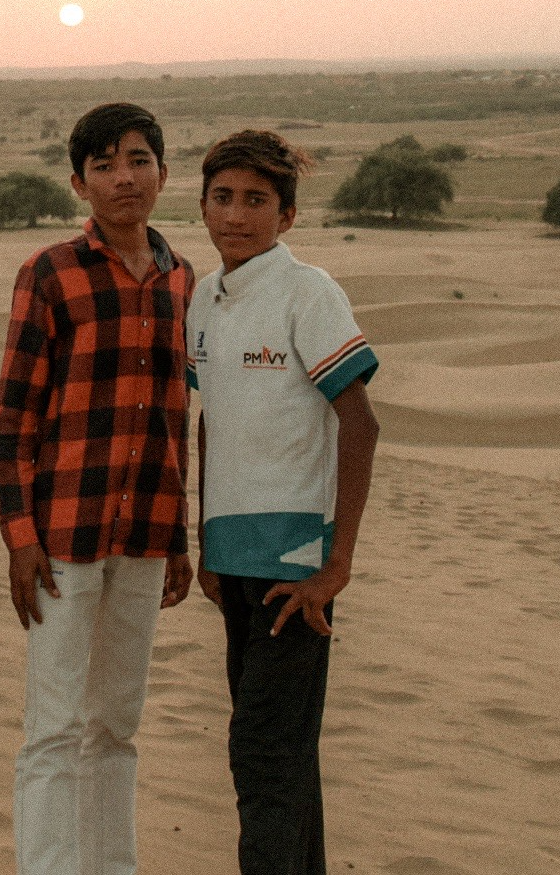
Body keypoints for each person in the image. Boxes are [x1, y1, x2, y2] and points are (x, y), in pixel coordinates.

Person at [0, 102, 195, 875]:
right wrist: (18, 540)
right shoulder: (50, 274)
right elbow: (10, 422)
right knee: (53, 725)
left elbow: (175, 418)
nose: (124, 178)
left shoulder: (181, 277)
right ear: (79, 184)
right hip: (62, 540)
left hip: (144, 531)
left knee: (118, 724)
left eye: (138, 160)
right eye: (104, 166)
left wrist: (179, 538)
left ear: (163, 174)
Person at [187, 131, 380, 875]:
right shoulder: (205, 296)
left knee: (260, 756)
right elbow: (215, 420)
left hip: (296, 572)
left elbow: (359, 421)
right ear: (203, 205)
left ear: (288, 216)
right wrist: (207, 548)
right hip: (232, 561)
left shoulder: (309, 292)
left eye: (257, 201)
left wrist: (337, 565)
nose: (237, 215)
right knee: (285, 761)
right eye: (223, 198)